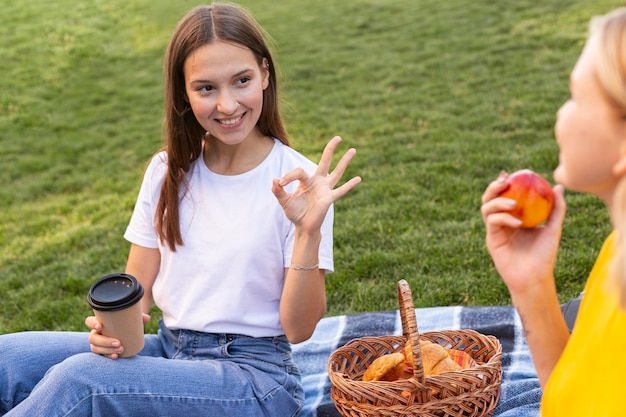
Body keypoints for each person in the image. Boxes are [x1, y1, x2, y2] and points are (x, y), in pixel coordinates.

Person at [0, 3, 361, 416]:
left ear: (264, 73)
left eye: (241, 80)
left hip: (256, 380)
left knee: (82, 383)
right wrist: (110, 332)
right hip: (168, 351)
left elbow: (299, 330)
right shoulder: (166, 171)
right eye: (206, 88)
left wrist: (308, 232)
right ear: (184, 94)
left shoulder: (302, 186)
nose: (227, 105)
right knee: (7, 358)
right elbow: (135, 293)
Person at [481, 7, 626, 416]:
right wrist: (531, 284)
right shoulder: (618, 252)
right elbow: (575, 397)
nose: (560, 112)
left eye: (576, 97)